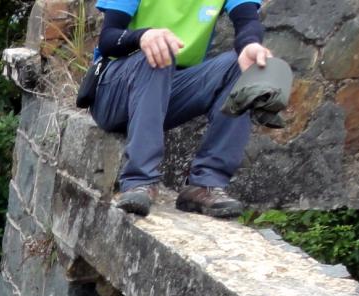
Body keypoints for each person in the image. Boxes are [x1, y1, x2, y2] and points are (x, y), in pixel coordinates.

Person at [90, 0, 271, 217]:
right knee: (160, 52)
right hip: (113, 93)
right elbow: (108, 38)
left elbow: (247, 21)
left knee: (240, 65)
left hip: (166, 91)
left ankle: (205, 184)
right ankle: (139, 182)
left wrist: (250, 44)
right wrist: (142, 37)